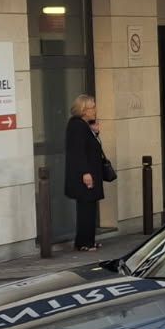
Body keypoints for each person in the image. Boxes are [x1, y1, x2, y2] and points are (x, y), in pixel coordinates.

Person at [64, 94, 106, 252]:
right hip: (84, 174)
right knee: (85, 209)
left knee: (90, 207)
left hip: (89, 172)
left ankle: (89, 240)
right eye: (92, 107)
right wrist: (85, 173)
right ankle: (83, 243)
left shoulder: (84, 125)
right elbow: (78, 152)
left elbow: (92, 147)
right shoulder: (77, 126)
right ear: (83, 110)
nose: (95, 110)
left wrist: (95, 133)